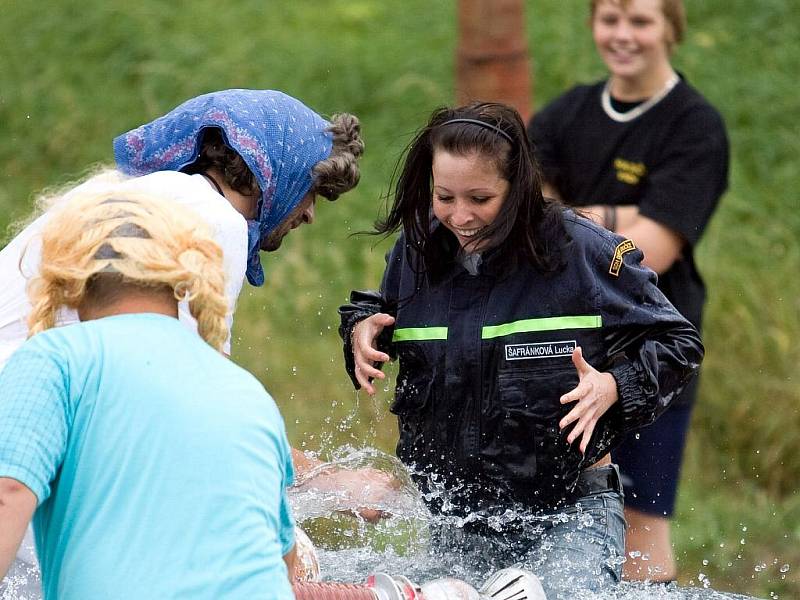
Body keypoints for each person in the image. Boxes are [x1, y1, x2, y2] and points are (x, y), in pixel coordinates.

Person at [0, 88, 365, 596]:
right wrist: (327, 481)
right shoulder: (213, 221)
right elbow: (194, 403)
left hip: (36, 433)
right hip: (31, 435)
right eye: (312, 191)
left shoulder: (147, 196)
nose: (308, 214)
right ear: (272, 171)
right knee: (285, 555)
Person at [338, 102, 704, 598]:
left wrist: (615, 385)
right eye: (444, 196)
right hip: (460, 523)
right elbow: (385, 309)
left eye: (480, 198)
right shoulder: (419, 247)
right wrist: (362, 330)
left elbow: (679, 342)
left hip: (569, 516)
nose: (460, 216)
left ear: (518, 189)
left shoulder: (580, 250)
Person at [0, 189, 297, 599]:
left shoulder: (56, 359)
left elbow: (8, 493)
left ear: (67, 281)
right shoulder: (249, 392)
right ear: (181, 281)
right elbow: (283, 560)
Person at [527, 0, 729, 582]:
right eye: (610, 19)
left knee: (640, 527)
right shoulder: (566, 114)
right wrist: (624, 215)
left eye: (640, 21)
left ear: (671, 27)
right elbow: (525, 214)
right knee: (550, 519)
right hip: (568, 351)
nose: (623, 35)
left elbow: (651, 255)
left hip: (654, 355)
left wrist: (569, 217)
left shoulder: (695, 126)